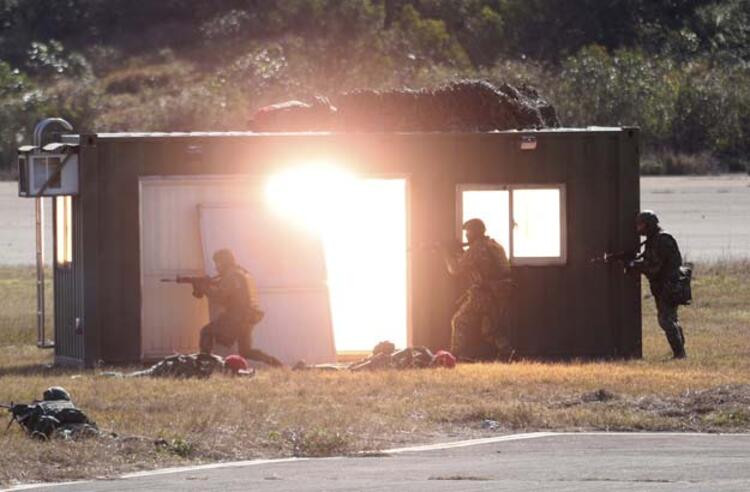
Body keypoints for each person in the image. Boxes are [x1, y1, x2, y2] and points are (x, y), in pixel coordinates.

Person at [196, 249, 283, 367]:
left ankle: (204, 366)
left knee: (206, 332)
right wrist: (211, 284)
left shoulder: (232, 275)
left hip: (236, 317)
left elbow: (220, 297)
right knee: (246, 351)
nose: (216, 267)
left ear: (224, 261)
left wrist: (205, 288)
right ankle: (277, 364)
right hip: (248, 317)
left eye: (218, 263)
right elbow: (234, 292)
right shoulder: (241, 273)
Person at [440, 218, 512, 360]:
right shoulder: (492, 244)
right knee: (491, 329)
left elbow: (455, 269)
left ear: (476, 232)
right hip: (499, 292)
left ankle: (454, 355)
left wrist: (445, 253)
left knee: (459, 320)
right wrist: (460, 252)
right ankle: (508, 354)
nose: (466, 236)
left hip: (486, 293)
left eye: (468, 232)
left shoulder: (478, 247)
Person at [627, 210, 687, 359]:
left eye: (641, 225)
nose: (639, 229)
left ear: (649, 225)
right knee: (670, 319)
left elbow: (655, 266)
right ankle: (680, 352)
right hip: (663, 286)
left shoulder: (662, 240)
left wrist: (635, 265)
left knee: (666, 320)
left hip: (669, 285)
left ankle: (679, 353)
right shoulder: (654, 239)